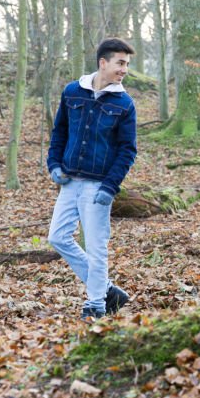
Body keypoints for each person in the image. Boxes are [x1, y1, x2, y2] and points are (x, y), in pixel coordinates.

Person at [47, 38, 137, 319]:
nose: (124, 70)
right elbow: (59, 132)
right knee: (58, 237)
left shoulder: (124, 104)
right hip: (69, 182)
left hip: (99, 186)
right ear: (103, 62)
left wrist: (110, 186)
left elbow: (128, 150)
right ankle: (107, 289)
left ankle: (96, 305)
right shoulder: (72, 92)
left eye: (127, 65)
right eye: (120, 63)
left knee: (97, 247)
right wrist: (53, 164)